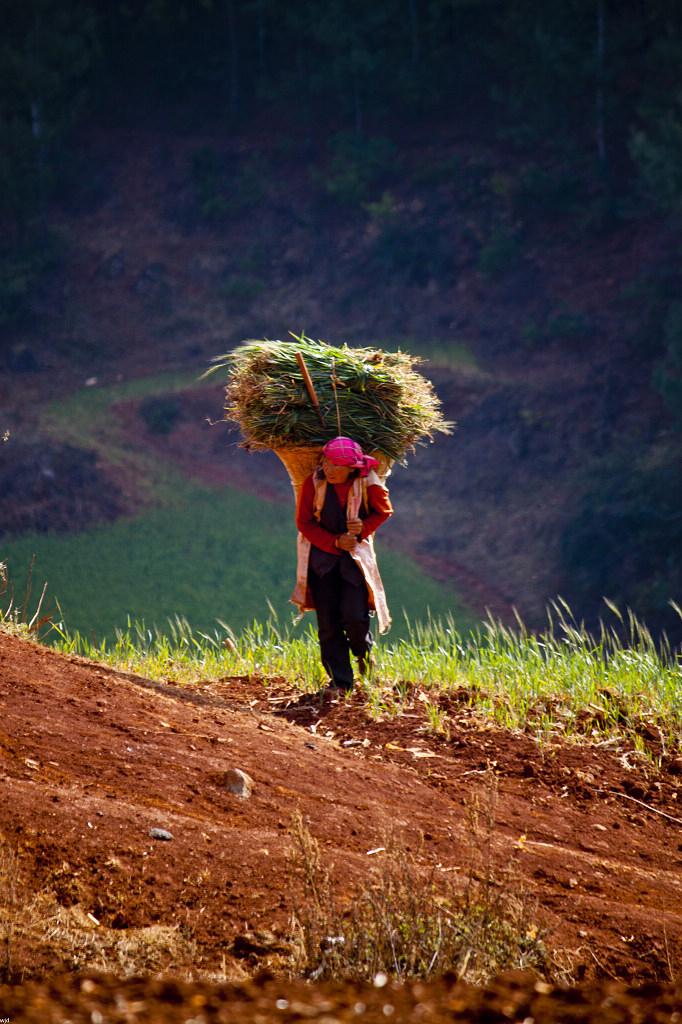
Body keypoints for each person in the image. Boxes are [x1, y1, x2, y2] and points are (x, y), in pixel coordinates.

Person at [291, 436, 393, 696]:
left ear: (352, 468)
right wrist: (334, 542)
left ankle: (363, 654)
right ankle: (340, 682)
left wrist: (363, 529)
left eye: (336, 465)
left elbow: (383, 512)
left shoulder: (370, 484)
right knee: (328, 623)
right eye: (326, 463)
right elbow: (304, 522)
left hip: (355, 562)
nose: (329, 470)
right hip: (322, 561)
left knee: (355, 617)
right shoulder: (313, 484)